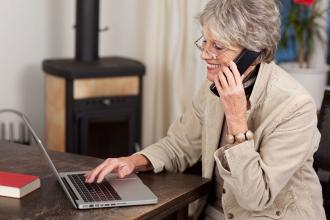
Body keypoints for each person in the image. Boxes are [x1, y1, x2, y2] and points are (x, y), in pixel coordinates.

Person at [85, 0, 326, 219]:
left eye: (218, 46)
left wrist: (236, 118)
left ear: (253, 54)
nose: (204, 54)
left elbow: (255, 199)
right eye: (204, 41)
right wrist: (132, 161)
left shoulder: (295, 107)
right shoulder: (213, 88)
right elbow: (178, 144)